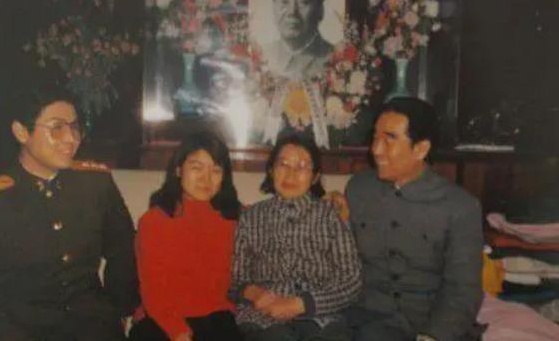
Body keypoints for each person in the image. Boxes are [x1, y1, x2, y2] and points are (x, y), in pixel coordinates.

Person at [0, 85, 139, 340]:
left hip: (93, 329)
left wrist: (118, 308)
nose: (71, 139)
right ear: (21, 132)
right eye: (57, 128)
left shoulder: (96, 184)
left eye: (75, 127)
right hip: (20, 331)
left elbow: (124, 249)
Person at [344, 97, 483, 341]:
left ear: (421, 149)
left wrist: (434, 336)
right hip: (367, 323)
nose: (376, 149)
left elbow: (463, 291)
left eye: (389, 139)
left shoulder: (460, 207)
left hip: (431, 325)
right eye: (375, 138)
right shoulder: (359, 189)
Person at [230, 134, 362, 341]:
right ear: (271, 170)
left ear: (315, 177)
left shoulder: (330, 217)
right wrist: (253, 293)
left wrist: (302, 304)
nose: (291, 174)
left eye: (302, 166)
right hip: (264, 318)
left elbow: (351, 281)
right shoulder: (250, 218)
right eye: (283, 165)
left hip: (321, 318)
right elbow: (234, 280)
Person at [131, 132, 244, 341]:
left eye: (215, 170)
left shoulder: (235, 219)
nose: (205, 179)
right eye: (196, 167)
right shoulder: (154, 220)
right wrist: (177, 331)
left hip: (217, 317)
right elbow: (153, 290)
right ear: (178, 169)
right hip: (161, 317)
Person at [262, 0, 334, 80]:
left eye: (303, 2)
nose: (292, 11)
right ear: (274, 8)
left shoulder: (335, 59)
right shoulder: (262, 55)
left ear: (320, 10)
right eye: (284, 2)